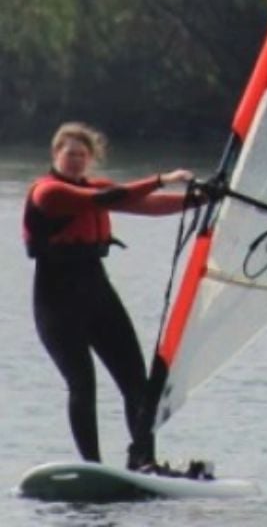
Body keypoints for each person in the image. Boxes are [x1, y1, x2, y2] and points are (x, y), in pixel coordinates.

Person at [23, 122, 201, 470]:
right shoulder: (47, 193)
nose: (76, 160)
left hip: (97, 293)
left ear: (90, 159)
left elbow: (148, 205)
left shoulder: (96, 187)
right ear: (56, 154)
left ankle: (143, 460)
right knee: (82, 384)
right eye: (70, 154)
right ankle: (93, 467)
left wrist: (199, 200)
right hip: (56, 301)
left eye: (82, 155)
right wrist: (163, 178)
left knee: (137, 383)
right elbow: (105, 200)